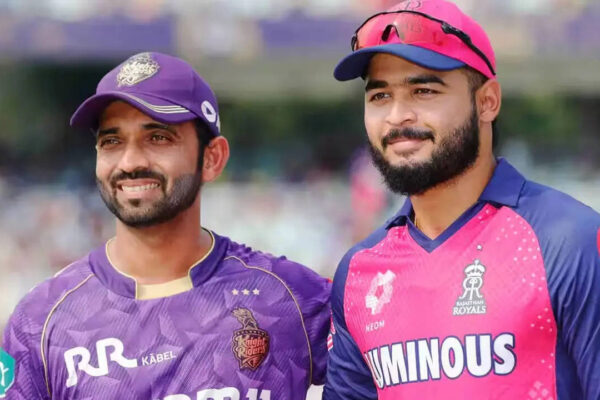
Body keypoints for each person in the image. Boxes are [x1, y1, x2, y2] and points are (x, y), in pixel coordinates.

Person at [0, 52, 330, 399]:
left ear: (212, 158)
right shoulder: (41, 320)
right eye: (111, 141)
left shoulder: (291, 297)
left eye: (157, 138)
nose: (130, 162)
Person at [323, 1, 600, 399]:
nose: (397, 116)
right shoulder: (358, 273)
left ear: (487, 102)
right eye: (380, 96)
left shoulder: (569, 241)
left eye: (423, 91)